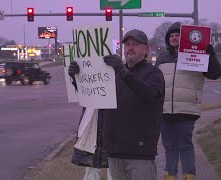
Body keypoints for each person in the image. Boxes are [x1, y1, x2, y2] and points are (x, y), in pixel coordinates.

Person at [69, 29, 165, 180]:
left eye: (135, 44)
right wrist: (76, 78)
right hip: (114, 152)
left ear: (146, 49)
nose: (130, 48)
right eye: (127, 44)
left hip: (140, 152)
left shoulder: (153, 74)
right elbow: (94, 98)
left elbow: (149, 95)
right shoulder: (114, 74)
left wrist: (123, 72)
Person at [154, 22, 221, 180]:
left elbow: (215, 74)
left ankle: (188, 175)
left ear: (184, 37)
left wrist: (211, 55)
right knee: (169, 146)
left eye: (177, 35)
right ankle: (170, 175)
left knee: (185, 144)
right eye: (171, 36)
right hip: (164, 111)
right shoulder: (162, 58)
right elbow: (155, 81)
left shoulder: (198, 55)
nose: (174, 38)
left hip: (186, 109)